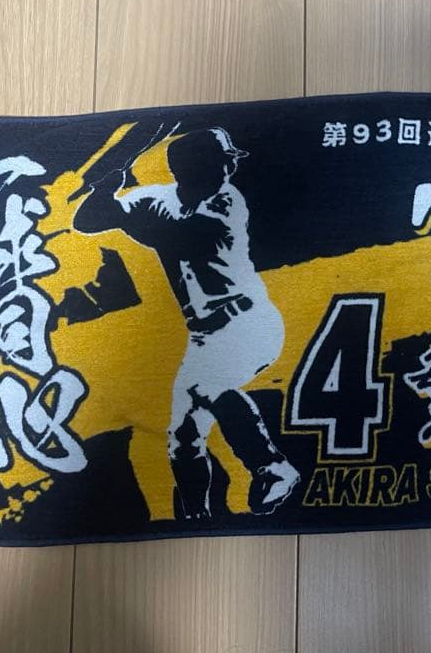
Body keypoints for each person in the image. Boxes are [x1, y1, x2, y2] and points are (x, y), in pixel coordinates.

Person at [74, 126, 298, 518]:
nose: (229, 168)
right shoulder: (156, 200)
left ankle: (272, 466)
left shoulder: (227, 202)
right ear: (190, 168)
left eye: (227, 162)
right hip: (204, 338)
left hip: (249, 322)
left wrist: (123, 207)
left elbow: (183, 235)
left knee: (207, 387)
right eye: (220, 162)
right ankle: (195, 515)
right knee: (184, 438)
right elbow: (87, 220)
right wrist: (106, 187)